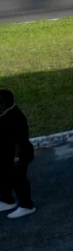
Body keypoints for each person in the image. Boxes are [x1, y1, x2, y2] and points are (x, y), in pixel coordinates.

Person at [0, 89, 35, 218]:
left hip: (19, 155)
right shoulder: (4, 113)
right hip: (6, 154)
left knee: (18, 179)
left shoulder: (16, 117)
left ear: (4, 104)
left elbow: (19, 142)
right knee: (3, 177)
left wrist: (16, 159)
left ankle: (27, 205)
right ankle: (7, 200)